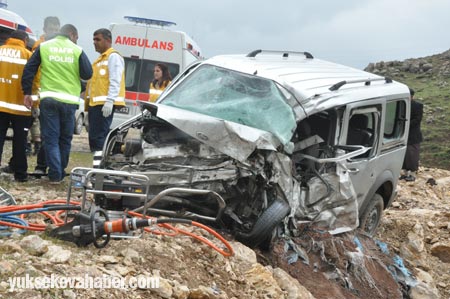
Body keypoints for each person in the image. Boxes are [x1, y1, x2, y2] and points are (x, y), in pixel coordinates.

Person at [22, 24, 93, 184]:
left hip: (49, 100)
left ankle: (55, 174)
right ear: (71, 35)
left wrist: (27, 92)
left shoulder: (45, 47)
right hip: (69, 102)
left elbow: (29, 69)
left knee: (51, 138)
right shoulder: (77, 50)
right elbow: (87, 73)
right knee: (65, 139)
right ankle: (59, 172)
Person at [0, 30, 33, 182]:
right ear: (25, 40)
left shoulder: (0, 50)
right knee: (20, 142)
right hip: (21, 107)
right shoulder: (28, 55)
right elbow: (36, 80)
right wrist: (35, 103)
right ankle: (20, 174)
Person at [85, 28, 125, 152]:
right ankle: (98, 165)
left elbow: (115, 80)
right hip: (95, 105)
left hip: (104, 105)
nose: (94, 42)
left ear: (108, 40)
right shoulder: (99, 60)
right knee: (94, 137)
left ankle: (100, 167)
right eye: (93, 40)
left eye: (98, 39)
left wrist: (110, 101)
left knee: (98, 138)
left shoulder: (113, 57)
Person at [31, 16, 61, 175]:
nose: (54, 32)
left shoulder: (61, 47)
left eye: (57, 29)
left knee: (53, 134)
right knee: (46, 134)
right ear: (44, 30)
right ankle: (41, 166)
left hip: (58, 96)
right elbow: (34, 73)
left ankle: (48, 165)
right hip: (43, 95)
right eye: (51, 29)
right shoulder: (40, 46)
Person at [400, 88, 423, 182]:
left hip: (413, 134)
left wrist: (405, 124)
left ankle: (413, 174)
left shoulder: (418, 106)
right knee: (404, 154)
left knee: (412, 154)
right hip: (401, 134)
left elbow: (417, 120)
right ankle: (405, 173)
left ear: (412, 96)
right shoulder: (401, 105)